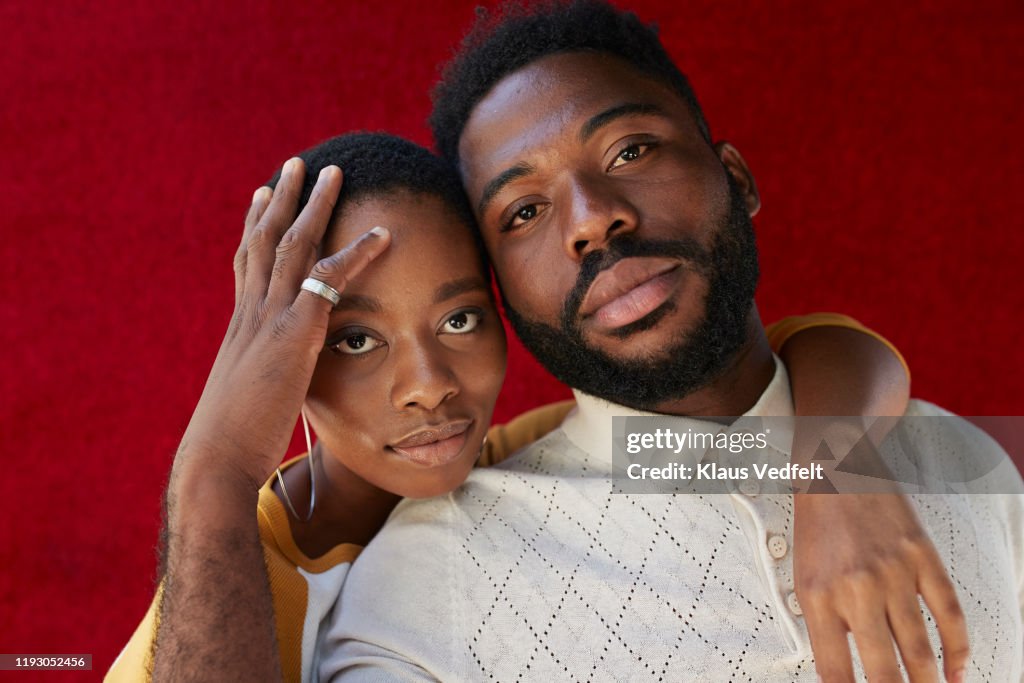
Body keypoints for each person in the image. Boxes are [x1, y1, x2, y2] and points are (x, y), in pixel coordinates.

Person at [316, 2, 1024, 682]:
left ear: (736, 177)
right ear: (504, 289)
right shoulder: (426, 581)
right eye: (525, 209)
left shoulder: (966, 461)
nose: (592, 221)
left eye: (630, 150)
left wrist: (837, 466)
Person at [108, 131, 928, 683]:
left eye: (461, 319)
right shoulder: (227, 572)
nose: (429, 383)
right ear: (278, 359)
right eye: (357, 340)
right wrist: (214, 468)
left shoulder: (520, 467)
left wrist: (839, 486)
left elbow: (816, 350)